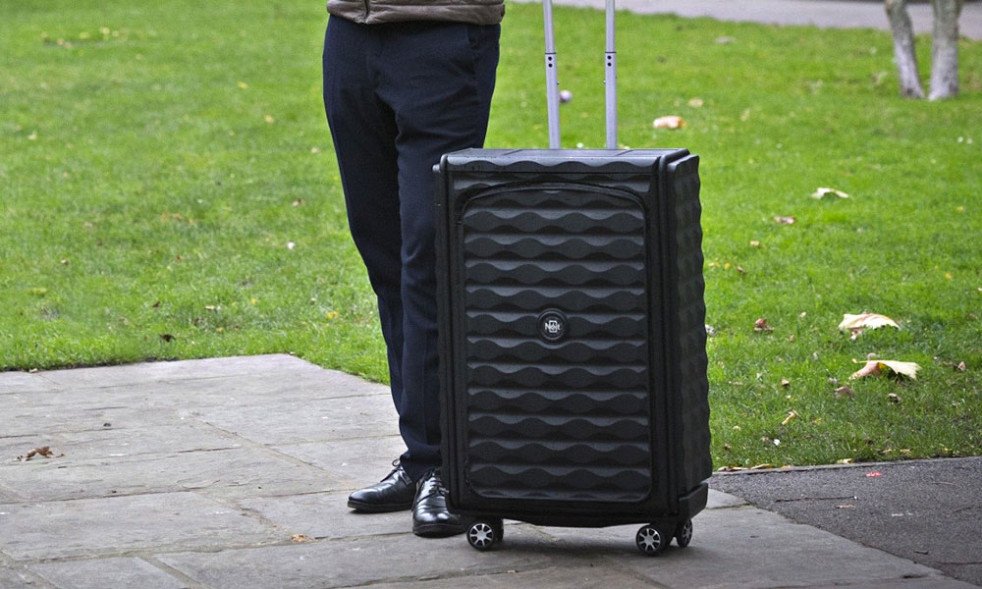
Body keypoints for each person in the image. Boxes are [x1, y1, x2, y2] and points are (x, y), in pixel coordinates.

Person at [321, 0, 503, 537]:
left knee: (430, 255)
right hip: (350, 34)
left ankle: (444, 465)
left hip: (441, 36)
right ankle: (420, 455)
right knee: (384, 254)